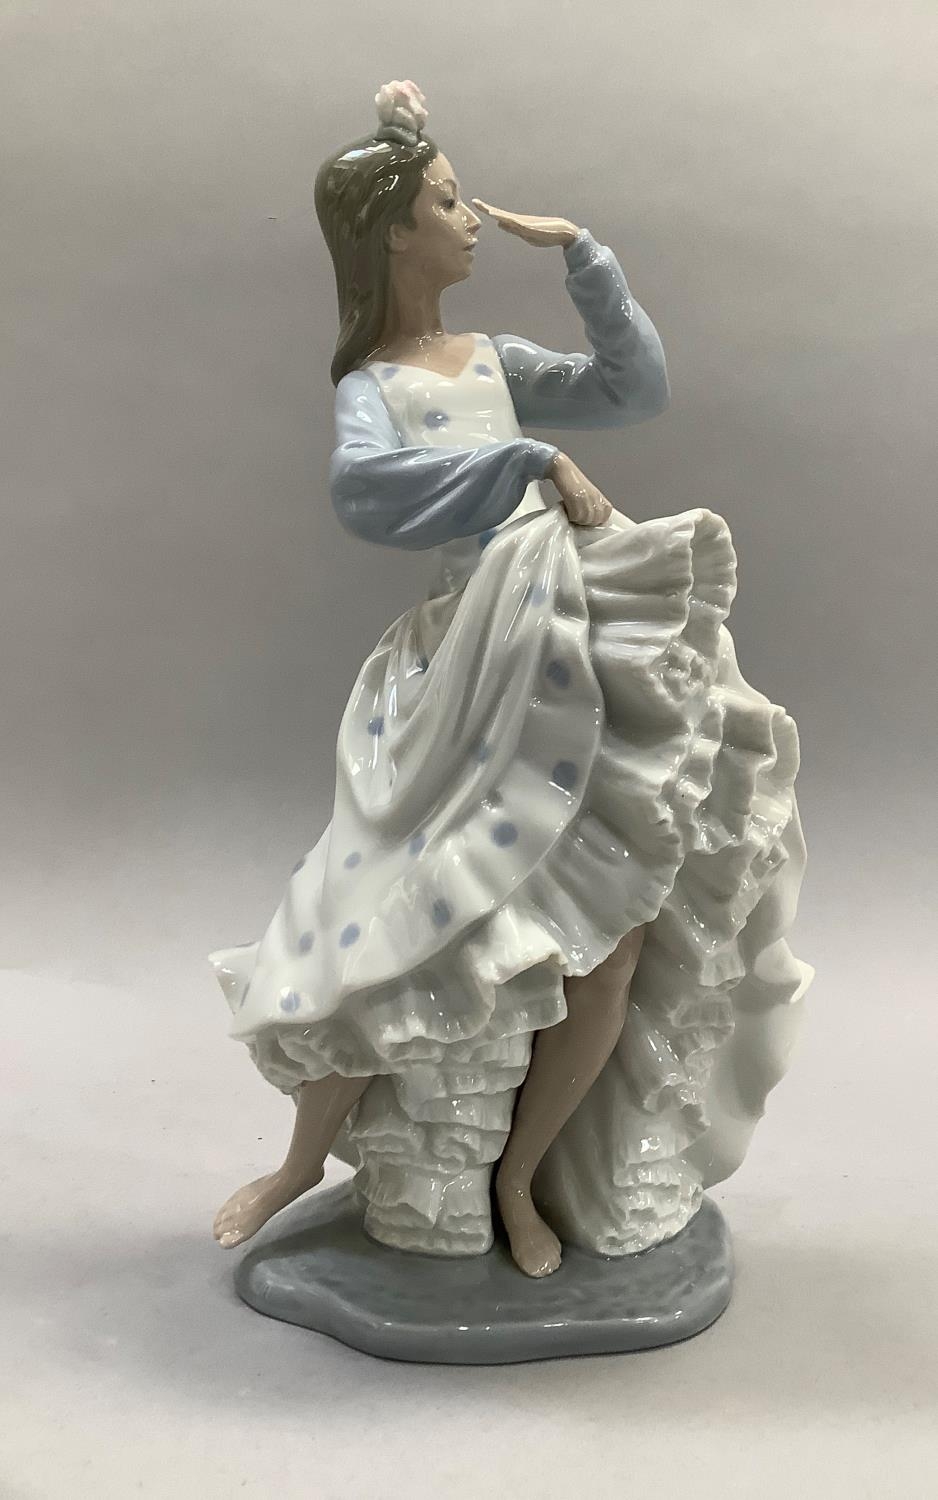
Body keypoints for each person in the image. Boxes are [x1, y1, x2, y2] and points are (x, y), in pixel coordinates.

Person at [209, 80, 813, 1277]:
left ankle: (522, 1177)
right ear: (394, 235)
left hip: (575, 637)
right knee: (388, 919)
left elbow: (631, 388)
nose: (472, 219)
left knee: (610, 940)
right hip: (472, 665)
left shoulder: (488, 357)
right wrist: (525, 462)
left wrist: (585, 257)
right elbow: (365, 494)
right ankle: (299, 1163)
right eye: (445, 202)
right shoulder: (374, 385)